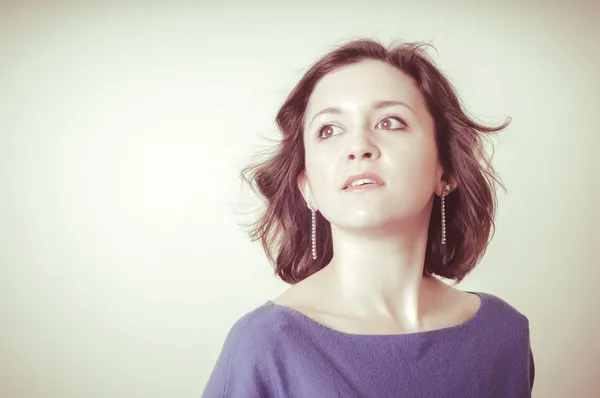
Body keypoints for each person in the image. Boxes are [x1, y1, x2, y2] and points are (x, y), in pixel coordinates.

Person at [203, 38, 535, 397]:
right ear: (307, 187)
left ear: (446, 169)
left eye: (390, 122)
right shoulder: (264, 346)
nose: (358, 146)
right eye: (328, 130)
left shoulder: (503, 335)